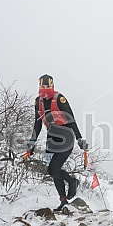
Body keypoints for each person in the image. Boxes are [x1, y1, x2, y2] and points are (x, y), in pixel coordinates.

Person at [24, 74, 88, 212]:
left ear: (52, 86)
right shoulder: (38, 102)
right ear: (39, 86)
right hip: (51, 139)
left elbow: (71, 119)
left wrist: (79, 138)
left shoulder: (60, 99)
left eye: (47, 86)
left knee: (54, 167)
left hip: (66, 137)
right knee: (52, 171)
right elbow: (37, 124)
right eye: (42, 86)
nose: (45, 89)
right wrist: (32, 143)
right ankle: (64, 199)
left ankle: (71, 183)